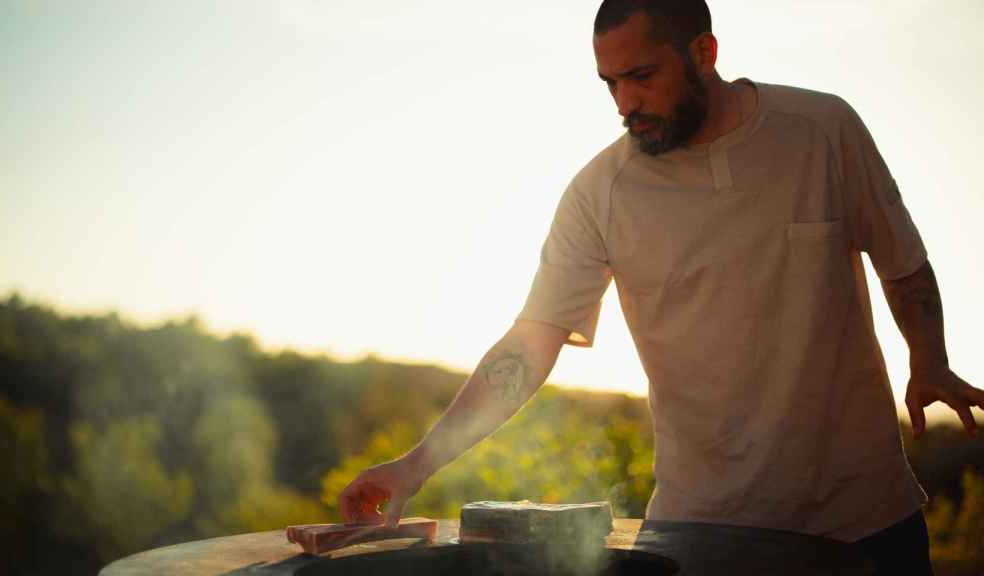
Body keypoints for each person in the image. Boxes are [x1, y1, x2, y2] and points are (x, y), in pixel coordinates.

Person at [338, 1, 984, 573]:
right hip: (701, 532)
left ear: (704, 53)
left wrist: (929, 356)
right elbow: (529, 346)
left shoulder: (823, 129)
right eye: (610, 83)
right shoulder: (599, 194)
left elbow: (902, 260)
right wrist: (414, 466)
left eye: (642, 76)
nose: (624, 103)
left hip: (865, 521)